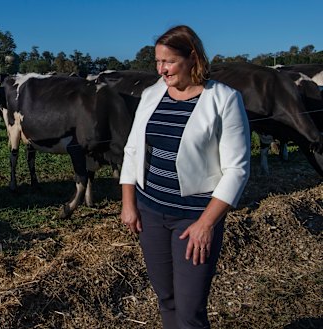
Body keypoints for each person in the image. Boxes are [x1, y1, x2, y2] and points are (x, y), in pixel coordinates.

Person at [119, 25, 251, 329]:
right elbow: (132, 149)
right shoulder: (152, 94)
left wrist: (206, 224)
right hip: (150, 212)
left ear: (192, 58)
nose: (162, 70)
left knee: (190, 311)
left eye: (169, 62)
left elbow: (238, 169)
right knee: (165, 299)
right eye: (157, 62)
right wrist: (129, 202)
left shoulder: (224, 99)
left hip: (193, 219)